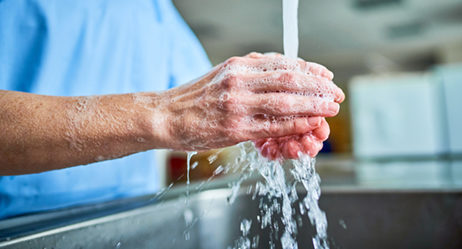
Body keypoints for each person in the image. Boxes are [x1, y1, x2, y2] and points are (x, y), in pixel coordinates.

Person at [0, 0, 344, 219]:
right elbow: (182, 109)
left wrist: (256, 109)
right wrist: (170, 115)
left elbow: (202, 94)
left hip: (130, 220)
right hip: (16, 227)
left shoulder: (152, 9)